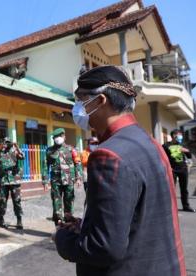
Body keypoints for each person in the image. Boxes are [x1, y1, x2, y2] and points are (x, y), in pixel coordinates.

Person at [54, 65, 186, 275]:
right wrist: (87, 227)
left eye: (81, 100)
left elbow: (103, 248)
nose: (78, 108)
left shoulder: (108, 156)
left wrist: (62, 239)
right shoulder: (150, 143)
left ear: (100, 101)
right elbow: (138, 216)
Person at [43, 128, 82, 226]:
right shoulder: (49, 151)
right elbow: (45, 166)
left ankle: (69, 223)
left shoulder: (71, 149)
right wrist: (45, 181)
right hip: (55, 180)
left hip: (69, 179)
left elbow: (77, 163)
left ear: (64, 136)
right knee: (56, 201)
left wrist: (78, 177)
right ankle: (58, 223)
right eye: (55, 137)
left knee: (69, 200)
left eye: (59, 136)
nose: (57, 138)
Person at [0, 137, 25, 229]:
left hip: (15, 180)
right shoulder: (1, 152)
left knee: (17, 201)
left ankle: (19, 220)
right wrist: (0, 149)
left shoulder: (15, 151)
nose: (6, 144)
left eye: (8, 142)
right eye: (5, 142)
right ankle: (1, 219)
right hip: (4, 181)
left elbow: (22, 156)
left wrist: (17, 147)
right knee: (2, 200)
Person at [163, 129, 196, 212]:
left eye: (181, 134)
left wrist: (187, 151)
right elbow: (163, 158)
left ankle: (186, 206)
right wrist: (167, 167)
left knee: (184, 189)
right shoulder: (166, 145)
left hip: (183, 169)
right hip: (172, 170)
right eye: (179, 134)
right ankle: (171, 207)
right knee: (172, 189)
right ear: (174, 135)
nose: (180, 136)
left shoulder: (182, 144)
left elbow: (189, 156)